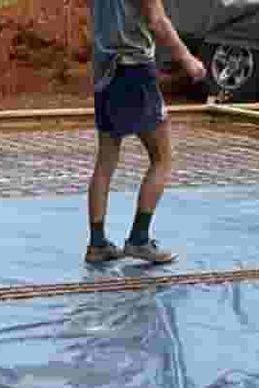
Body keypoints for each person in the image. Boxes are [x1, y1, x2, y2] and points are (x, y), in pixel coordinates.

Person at [87, 0, 207, 267]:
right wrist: (188, 60)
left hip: (104, 68)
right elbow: (157, 21)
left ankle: (97, 243)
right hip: (134, 69)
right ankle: (139, 240)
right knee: (162, 158)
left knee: (105, 160)